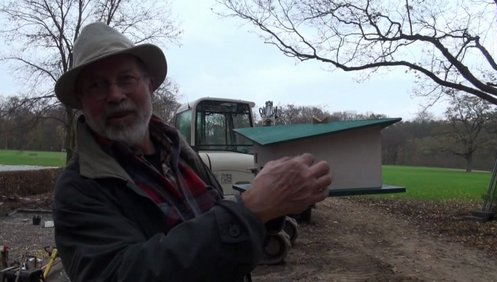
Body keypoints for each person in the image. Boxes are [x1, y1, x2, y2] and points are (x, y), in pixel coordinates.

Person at [52, 22, 332, 282]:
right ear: (81, 101)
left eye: (126, 79)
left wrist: (270, 208)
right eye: (98, 85)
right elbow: (121, 273)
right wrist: (249, 210)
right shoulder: (78, 189)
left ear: (149, 86)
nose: (115, 95)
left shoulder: (178, 151)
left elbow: (210, 228)